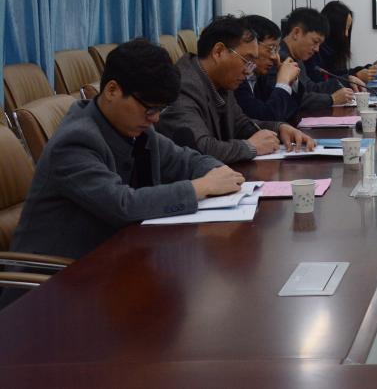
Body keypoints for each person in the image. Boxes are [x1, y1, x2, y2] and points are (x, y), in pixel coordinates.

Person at [9, 39, 245, 261]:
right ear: (112, 90)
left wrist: (218, 171)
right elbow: (123, 204)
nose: (155, 119)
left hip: (117, 257)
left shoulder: (137, 128)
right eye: (150, 109)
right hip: (57, 276)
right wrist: (201, 187)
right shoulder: (76, 141)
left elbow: (184, 159)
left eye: (160, 110)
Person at [157, 16, 316, 163]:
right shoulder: (183, 86)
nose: (248, 71)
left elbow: (241, 125)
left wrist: (279, 129)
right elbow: (200, 148)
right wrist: (250, 147)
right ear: (218, 52)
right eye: (247, 60)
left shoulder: (221, 81)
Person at [279, 7, 356, 112]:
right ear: (296, 33)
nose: (317, 49)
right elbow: (292, 99)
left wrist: (346, 80)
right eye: (315, 42)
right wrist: (331, 99)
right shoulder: (279, 59)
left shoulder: (297, 58)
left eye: (319, 44)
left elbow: (311, 88)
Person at [235, 14, 302, 122]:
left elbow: (288, 114)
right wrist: (283, 82)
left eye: (276, 50)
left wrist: (290, 81)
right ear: (252, 45)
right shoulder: (236, 79)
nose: (275, 57)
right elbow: (267, 118)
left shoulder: (260, 76)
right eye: (271, 48)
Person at [306, 1, 377, 85]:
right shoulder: (313, 51)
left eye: (348, 28)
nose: (346, 34)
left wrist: (365, 69)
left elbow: (341, 74)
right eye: (345, 28)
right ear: (333, 27)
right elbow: (321, 84)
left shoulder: (336, 48)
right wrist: (356, 76)